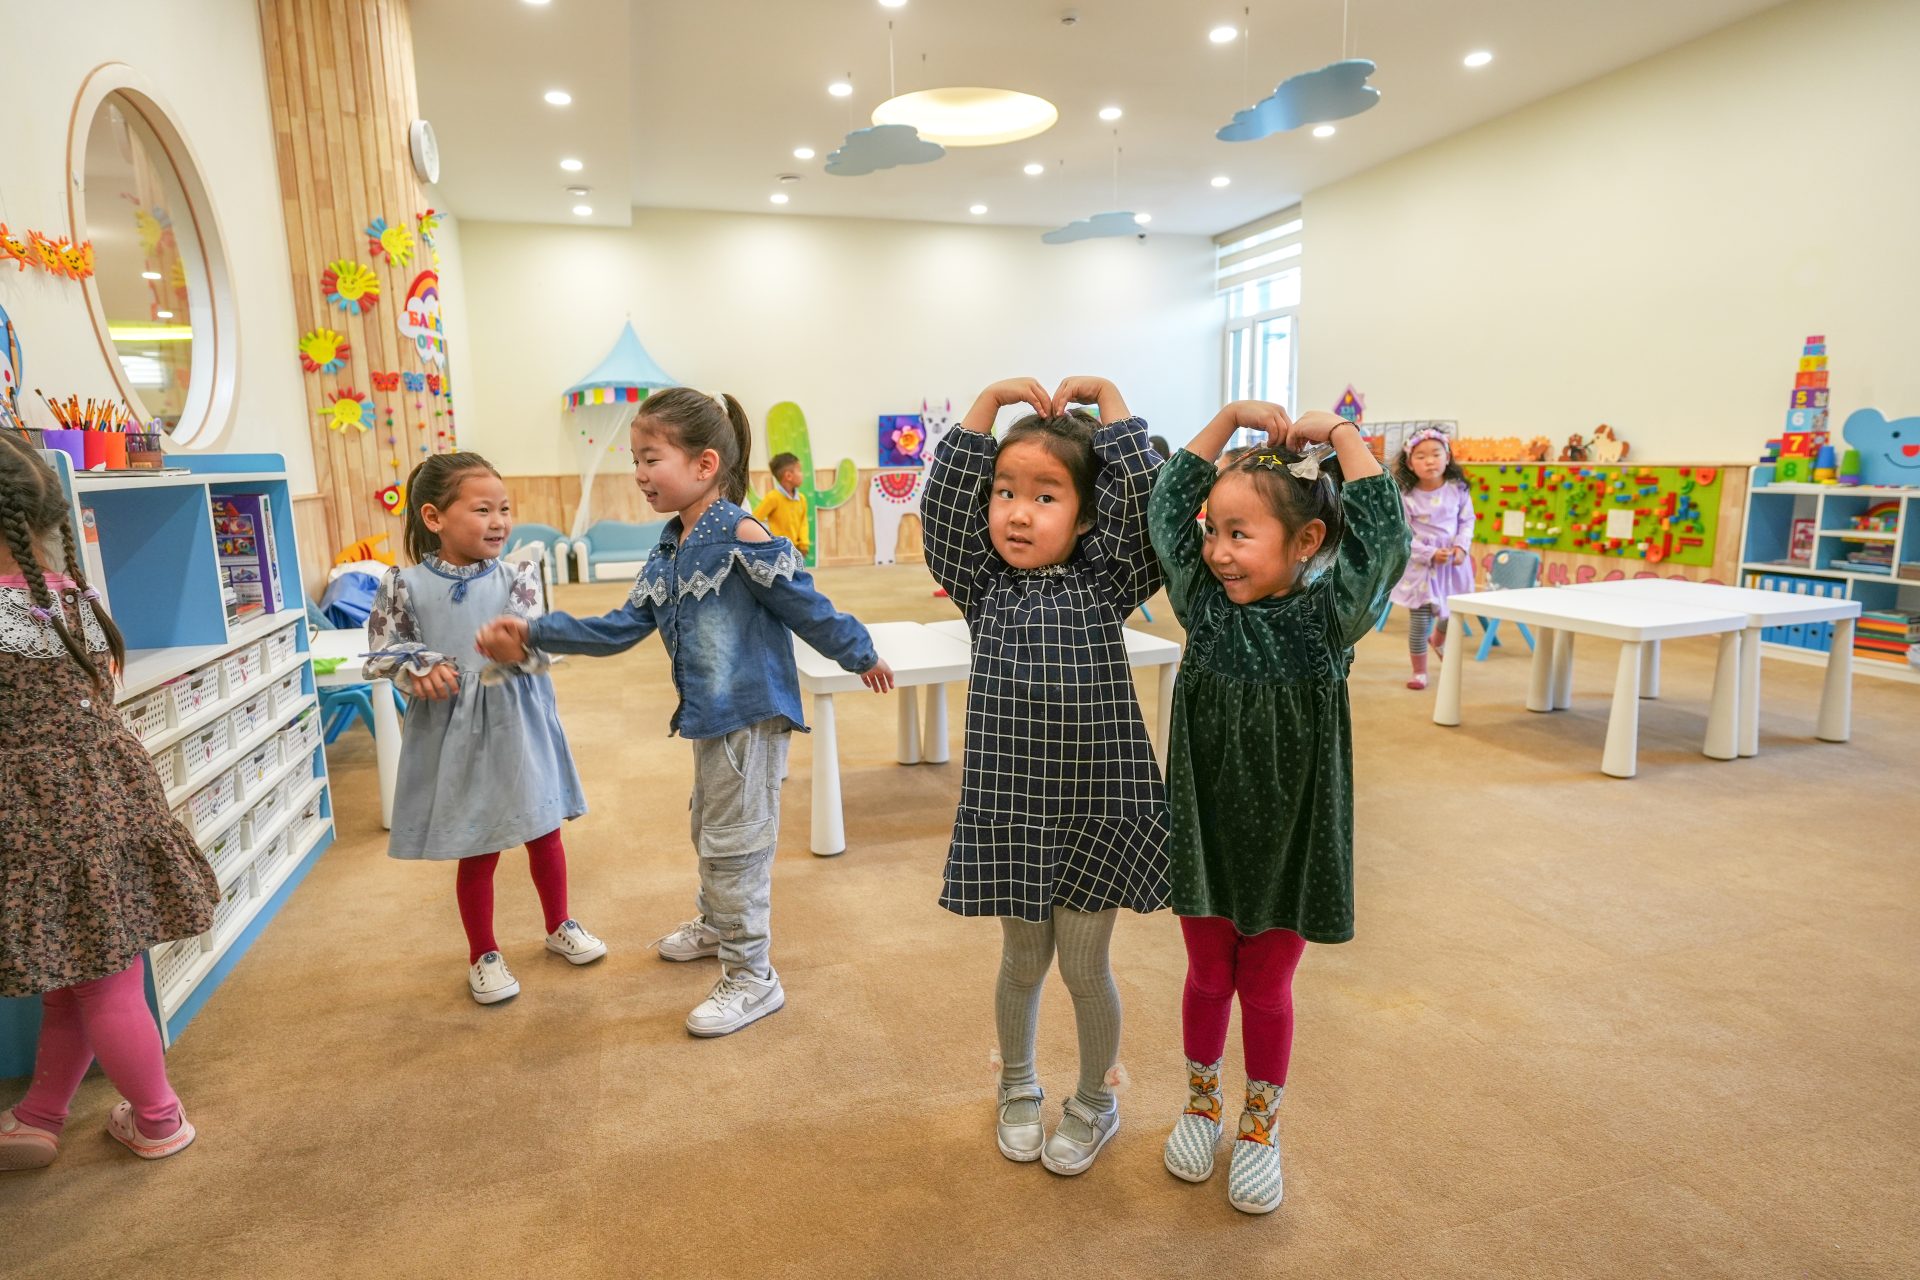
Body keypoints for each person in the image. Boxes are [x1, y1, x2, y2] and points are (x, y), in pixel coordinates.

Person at [476, 389, 893, 1038]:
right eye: (635, 461)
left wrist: (859, 652)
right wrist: (537, 633)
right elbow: (621, 627)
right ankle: (718, 923)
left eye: (650, 459)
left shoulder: (741, 534)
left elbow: (805, 604)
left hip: (749, 716)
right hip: (708, 717)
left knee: (736, 845)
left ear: (703, 466)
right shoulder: (672, 544)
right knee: (711, 829)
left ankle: (753, 975)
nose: (638, 475)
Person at [1148, 401, 1410, 1213]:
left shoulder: (1332, 615)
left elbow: (1387, 538)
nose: (1219, 553)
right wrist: (1227, 420)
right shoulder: (1202, 602)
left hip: (1295, 837)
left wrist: (1339, 437)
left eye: (1241, 534)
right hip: (1206, 826)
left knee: (1264, 986)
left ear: (1307, 544)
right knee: (1204, 973)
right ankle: (1200, 1103)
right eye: (1215, 531)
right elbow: (1166, 505)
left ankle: (1260, 1124)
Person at [920, 375, 1169, 1177]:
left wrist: (1115, 404)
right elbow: (946, 516)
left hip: (1099, 804)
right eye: (1006, 492)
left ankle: (1097, 1097)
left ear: (1087, 514)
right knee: (1023, 963)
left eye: (1047, 496)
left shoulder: (1110, 581)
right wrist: (985, 408)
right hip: (1011, 808)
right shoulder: (982, 586)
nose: (1018, 512)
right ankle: (1018, 1083)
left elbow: (1146, 505)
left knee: (1087, 967)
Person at [0, 430, 217, 1168]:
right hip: (109, 803)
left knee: (101, 985)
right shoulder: (74, 600)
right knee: (88, 976)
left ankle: (158, 1119)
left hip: (36, 819)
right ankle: (38, 1114)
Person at [364, 451, 600, 1007]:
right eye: (483, 510)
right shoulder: (406, 583)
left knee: (543, 828)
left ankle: (560, 923)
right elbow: (383, 650)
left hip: (517, 720)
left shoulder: (518, 576)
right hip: (456, 733)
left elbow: (540, 646)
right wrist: (419, 665)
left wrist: (519, 644)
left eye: (504, 509)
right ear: (434, 517)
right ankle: (483, 952)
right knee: (479, 844)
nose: (499, 521)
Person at [1388, 429, 1475, 689]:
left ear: (1447, 457)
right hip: (1422, 568)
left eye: (1436, 454)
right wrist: (1429, 553)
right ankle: (1419, 672)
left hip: (1453, 565)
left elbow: (1467, 520)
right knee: (1419, 622)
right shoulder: (1406, 496)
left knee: (1453, 612)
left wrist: (1461, 548)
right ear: (1410, 462)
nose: (1429, 461)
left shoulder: (1457, 489)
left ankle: (1438, 639)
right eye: (1421, 456)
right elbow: (1402, 534)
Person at [754, 451, 811, 561]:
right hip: (778, 551)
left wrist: (804, 544)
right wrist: (766, 542)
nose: (802, 474)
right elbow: (755, 519)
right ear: (788, 476)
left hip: (796, 550)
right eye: (799, 470)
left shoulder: (802, 499)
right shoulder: (773, 497)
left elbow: (803, 523)